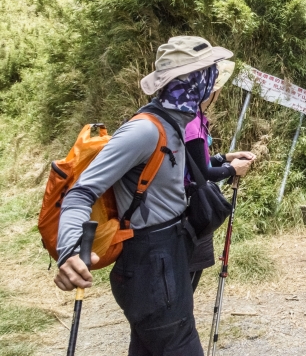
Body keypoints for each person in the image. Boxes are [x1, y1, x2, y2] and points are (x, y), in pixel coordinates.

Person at [54, 35, 234, 356]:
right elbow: (81, 192)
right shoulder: (145, 130)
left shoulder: (176, 123)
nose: (214, 78)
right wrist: (69, 250)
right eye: (209, 71)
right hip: (151, 265)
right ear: (193, 80)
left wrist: (222, 163)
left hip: (166, 257)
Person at [184, 59, 256, 292]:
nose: (220, 91)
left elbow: (198, 162)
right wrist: (232, 170)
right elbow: (202, 174)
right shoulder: (192, 123)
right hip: (190, 210)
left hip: (190, 208)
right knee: (187, 281)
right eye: (217, 87)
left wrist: (227, 157)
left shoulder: (194, 118)